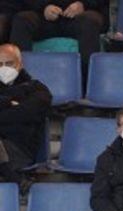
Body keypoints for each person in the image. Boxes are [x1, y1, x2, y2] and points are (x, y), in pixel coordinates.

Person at [9, 0, 106, 80]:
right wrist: (44, 7)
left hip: (82, 15)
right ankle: (20, 81)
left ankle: (87, 83)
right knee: (22, 20)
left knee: (89, 21)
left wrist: (83, 4)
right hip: (44, 16)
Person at [0, 44, 50, 182]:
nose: (3, 68)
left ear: (20, 64)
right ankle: (14, 178)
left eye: (9, 63)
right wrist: (9, 102)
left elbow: (26, 114)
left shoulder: (37, 90)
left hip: (19, 151)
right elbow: (18, 115)